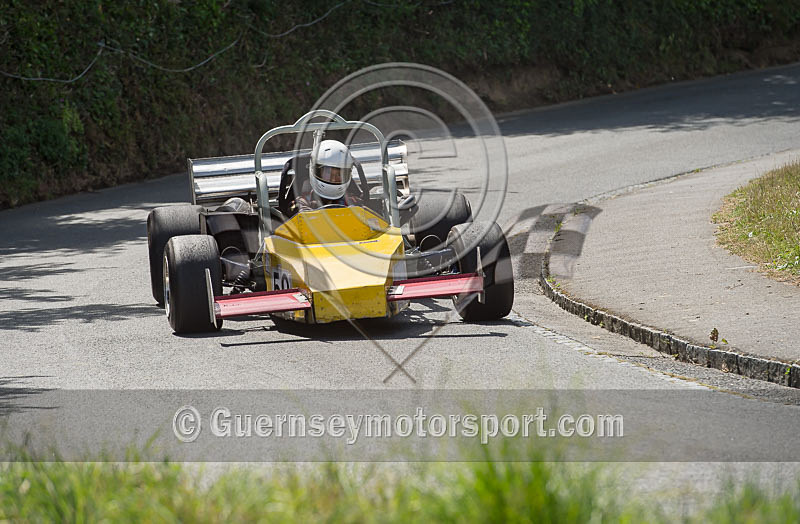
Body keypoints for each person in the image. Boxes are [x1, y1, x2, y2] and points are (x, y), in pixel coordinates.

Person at [293, 139, 361, 213]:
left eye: (339, 174)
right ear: (314, 170)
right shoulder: (303, 201)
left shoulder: (352, 201)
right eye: (328, 173)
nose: (333, 179)